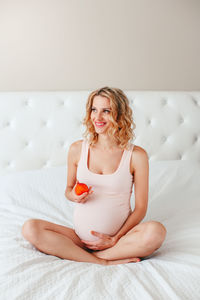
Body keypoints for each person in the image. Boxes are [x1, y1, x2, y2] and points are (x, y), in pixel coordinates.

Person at [22, 87, 167, 266]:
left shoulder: (136, 155)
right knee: (30, 228)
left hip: (118, 240)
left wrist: (115, 238)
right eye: (94, 109)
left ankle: (88, 256)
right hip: (80, 239)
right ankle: (101, 260)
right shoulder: (77, 149)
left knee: (156, 232)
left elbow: (141, 208)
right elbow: (68, 190)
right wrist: (73, 195)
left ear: (120, 115)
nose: (97, 118)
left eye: (106, 111)